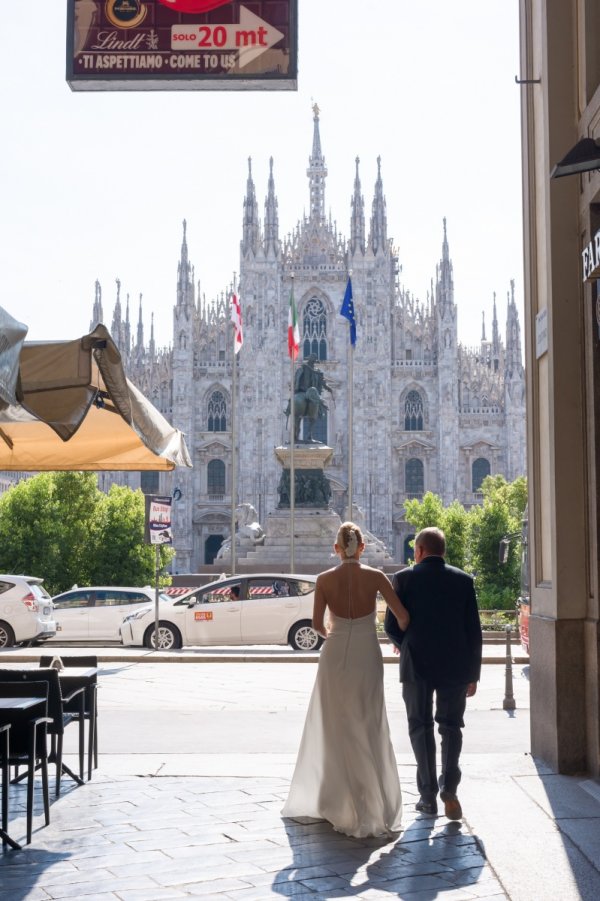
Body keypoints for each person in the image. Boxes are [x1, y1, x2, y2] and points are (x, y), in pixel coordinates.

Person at [282, 521, 410, 838]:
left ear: (337, 549)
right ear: (362, 547)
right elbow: (403, 617)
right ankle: (373, 803)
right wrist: (395, 639)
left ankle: (336, 801)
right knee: (369, 721)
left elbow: (316, 625)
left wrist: (337, 634)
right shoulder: (377, 577)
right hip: (368, 652)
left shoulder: (324, 579)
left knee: (335, 724)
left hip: (334, 654)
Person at [385, 527, 482, 821]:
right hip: (456, 665)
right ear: (443, 551)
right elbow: (473, 631)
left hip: (416, 665)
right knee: (451, 726)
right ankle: (449, 790)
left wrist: (409, 645)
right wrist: (473, 674)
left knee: (420, 725)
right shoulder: (463, 580)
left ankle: (427, 797)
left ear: (418, 551)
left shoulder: (403, 579)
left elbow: (391, 626)